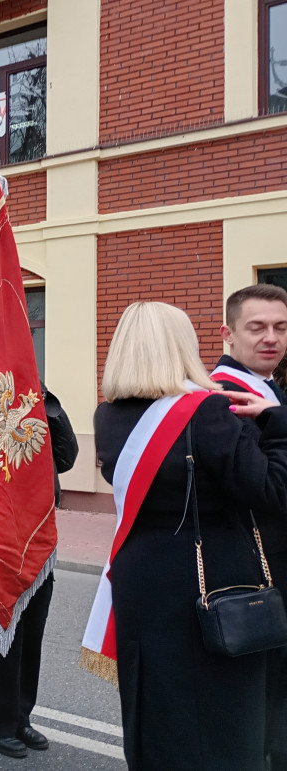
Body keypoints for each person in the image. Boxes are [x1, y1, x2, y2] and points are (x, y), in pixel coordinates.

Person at [94, 301, 287, 770]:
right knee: (220, 716)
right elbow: (274, 491)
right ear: (182, 346)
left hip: (143, 575)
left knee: (157, 704)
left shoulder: (108, 414)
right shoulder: (209, 411)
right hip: (211, 578)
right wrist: (277, 425)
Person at [0, 385, 78, 758]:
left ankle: (19, 716)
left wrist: (50, 404)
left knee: (30, 638)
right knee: (3, 640)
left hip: (37, 541)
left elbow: (65, 458)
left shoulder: (38, 412)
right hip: (0, 545)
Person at [209, 283, 287, 769]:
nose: (270, 338)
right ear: (228, 334)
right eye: (256, 327)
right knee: (268, 702)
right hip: (263, 567)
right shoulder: (226, 394)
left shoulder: (270, 390)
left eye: (280, 327)